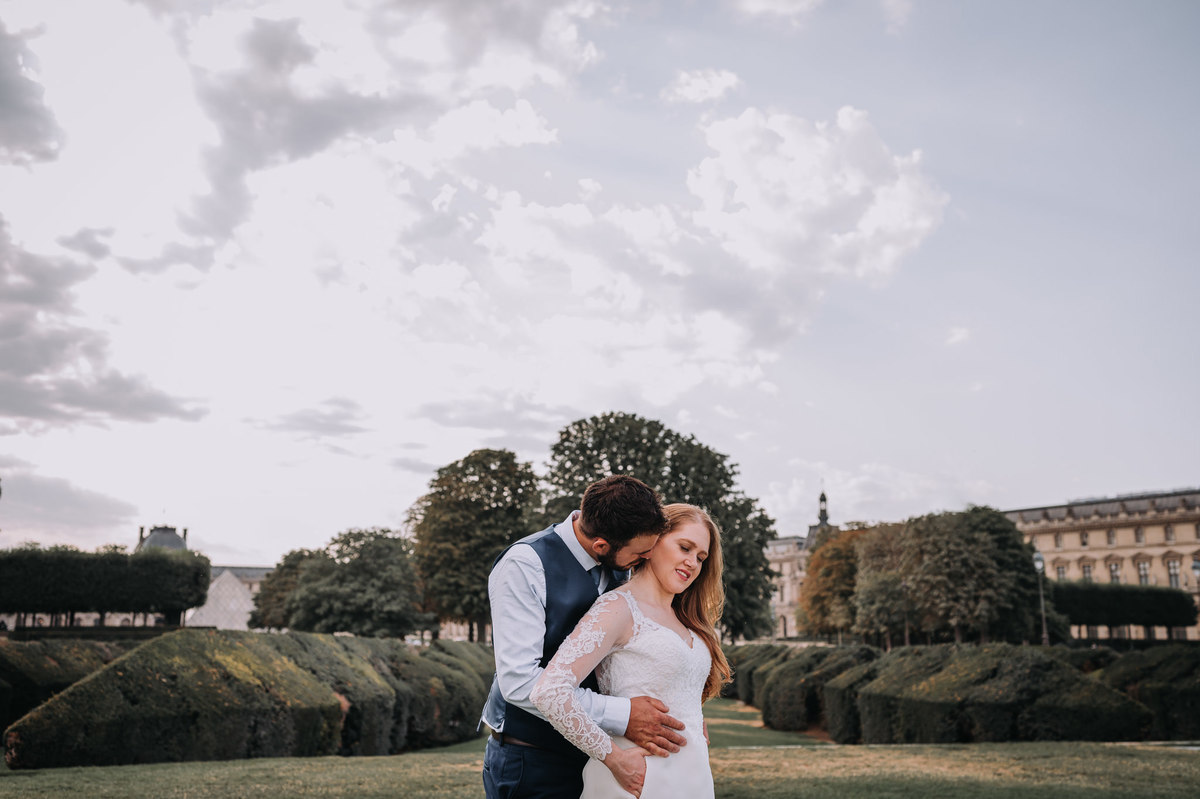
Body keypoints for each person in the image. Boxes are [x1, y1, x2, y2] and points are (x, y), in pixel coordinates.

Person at [481, 475, 691, 799]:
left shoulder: (619, 561)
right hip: (532, 761)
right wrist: (623, 715)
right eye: (639, 554)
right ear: (601, 546)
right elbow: (519, 682)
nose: (646, 559)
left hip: (596, 761)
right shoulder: (525, 565)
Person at [531, 503, 732, 799]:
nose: (692, 562)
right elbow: (549, 692)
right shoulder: (618, 608)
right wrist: (611, 756)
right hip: (637, 780)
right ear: (652, 543)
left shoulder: (688, 618)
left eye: (701, 557)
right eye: (685, 548)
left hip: (693, 778)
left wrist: (693, 718)